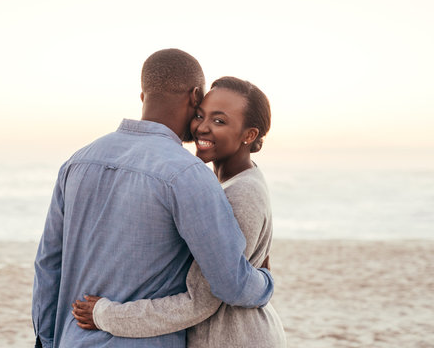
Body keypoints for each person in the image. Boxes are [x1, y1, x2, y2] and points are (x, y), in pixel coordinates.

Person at [32, 50, 274, 348]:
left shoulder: (77, 162)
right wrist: (265, 281)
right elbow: (230, 284)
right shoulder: (188, 175)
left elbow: (47, 265)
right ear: (195, 95)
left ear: (143, 95)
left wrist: (47, 339)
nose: (202, 124)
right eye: (201, 113)